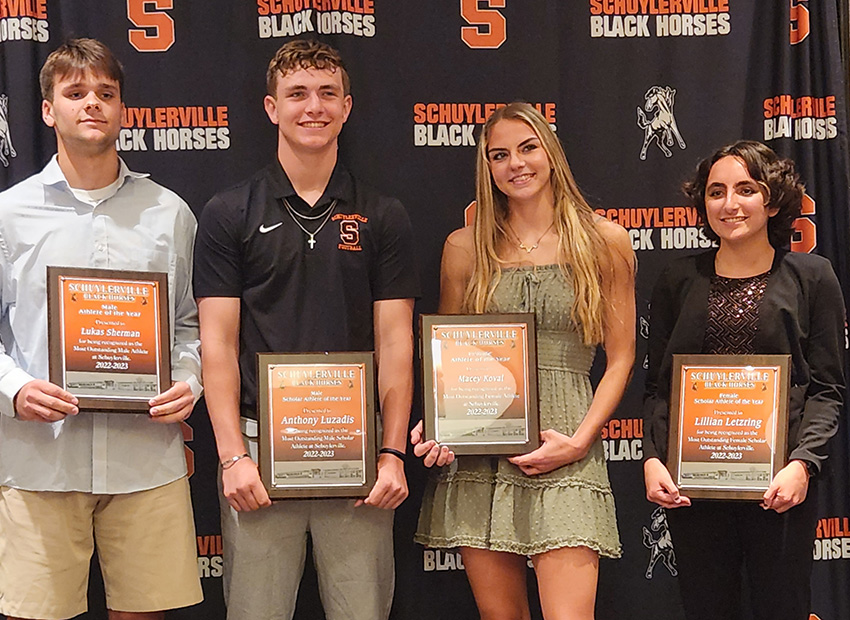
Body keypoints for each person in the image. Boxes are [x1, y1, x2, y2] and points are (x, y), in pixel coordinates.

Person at [193, 39, 419, 620]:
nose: (312, 106)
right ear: (272, 108)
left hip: (358, 453)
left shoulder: (383, 214)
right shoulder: (227, 212)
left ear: (348, 107)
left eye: (326, 93)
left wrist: (392, 452)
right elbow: (215, 343)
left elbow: (396, 342)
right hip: (258, 454)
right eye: (297, 94)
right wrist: (230, 456)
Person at [0, 39, 203, 620]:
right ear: (47, 109)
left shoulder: (170, 212)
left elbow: (190, 324)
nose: (93, 104)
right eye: (76, 93)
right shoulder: (9, 214)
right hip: (40, 459)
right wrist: (13, 388)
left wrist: (188, 383)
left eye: (106, 94)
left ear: (123, 110)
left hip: (146, 461)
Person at [413, 102, 635, 620]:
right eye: (500, 154)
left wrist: (580, 440)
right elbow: (451, 354)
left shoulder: (605, 241)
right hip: (482, 452)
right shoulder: (465, 248)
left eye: (528, 147)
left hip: (566, 443)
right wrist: (444, 427)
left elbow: (621, 357)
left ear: (551, 152)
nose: (517, 163)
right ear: (486, 168)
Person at [642, 141, 845, 620]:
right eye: (716, 192)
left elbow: (828, 389)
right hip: (694, 487)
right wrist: (652, 458)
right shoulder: (677, 279)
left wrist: (802, 465)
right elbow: (658, 386)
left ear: (772, 200)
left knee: (783, 607)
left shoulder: (813, 277)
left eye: (745, 189)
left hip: (781, 486)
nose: (729, 204)